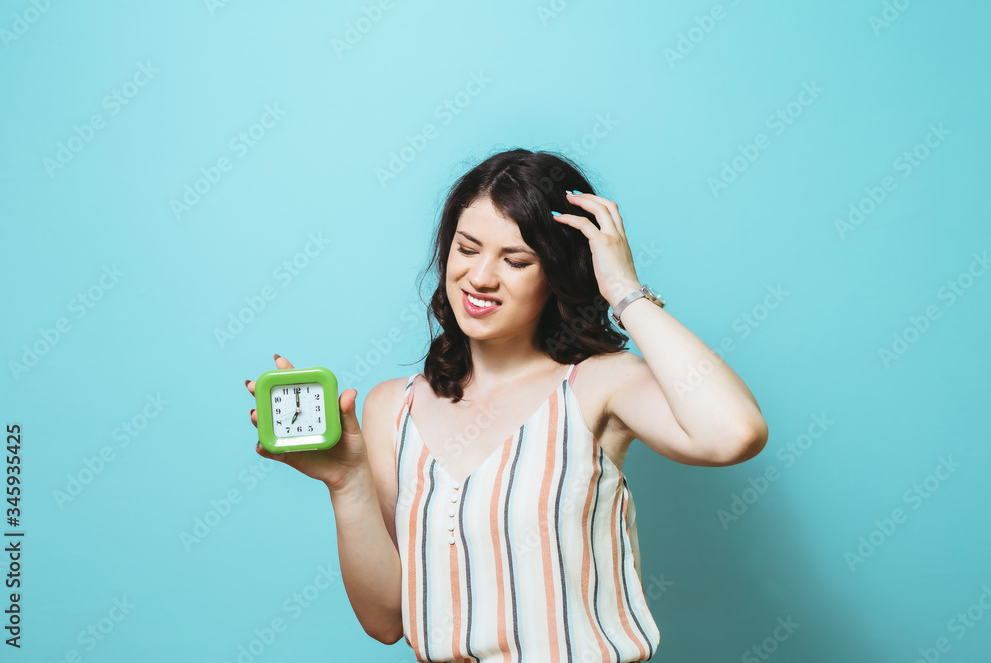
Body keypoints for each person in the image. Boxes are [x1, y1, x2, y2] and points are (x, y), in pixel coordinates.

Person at [244, 148, 769, 661]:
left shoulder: (599, 385)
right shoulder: (391, 409)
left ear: (557, 274)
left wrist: (624, 289)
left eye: (516, 260)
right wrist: (346, 482)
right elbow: (386, 621)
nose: (480, 278)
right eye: (467, 249)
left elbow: (734, 433)